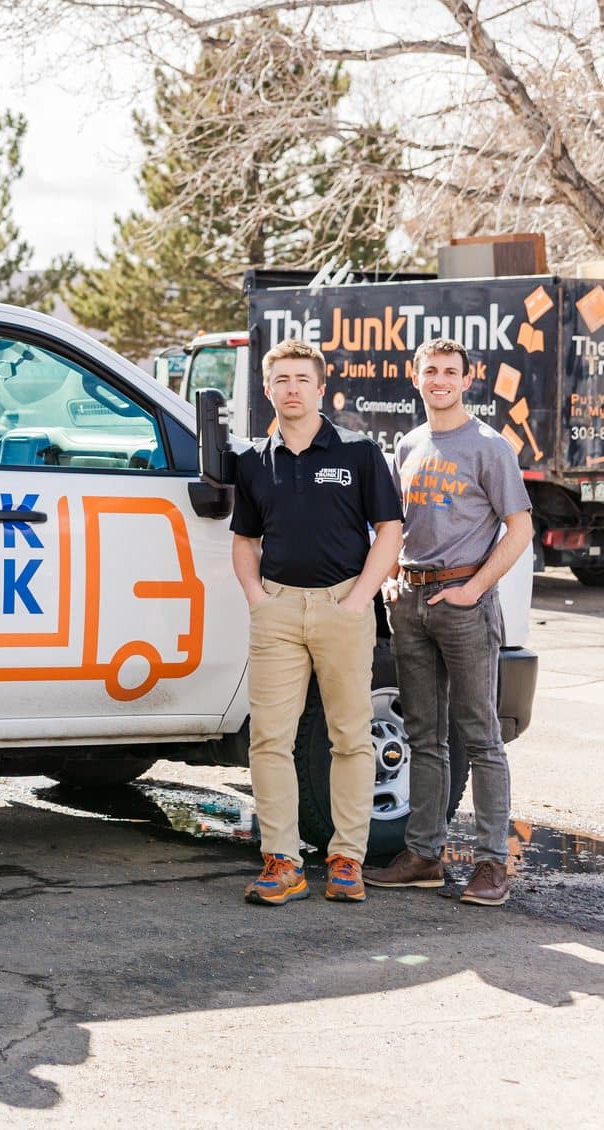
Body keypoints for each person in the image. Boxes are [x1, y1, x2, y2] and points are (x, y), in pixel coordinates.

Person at [229, 337, 402, 906]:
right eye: (281, 381)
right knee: (269, 739)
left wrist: (358, 602)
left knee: (350, 737)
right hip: (276, 611)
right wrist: (258, 598)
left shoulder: (358, 452)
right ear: (266, 389)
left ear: (321, 387)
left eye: (302, 380)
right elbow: (244, 540)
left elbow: (390, 533)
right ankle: (283, 861)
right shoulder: (255, 460)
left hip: (342, 607)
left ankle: (346, 860)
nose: (292, 389)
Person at [365, 339, 534, 906]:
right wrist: (390, 577)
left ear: (468, 379)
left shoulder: (489, 447)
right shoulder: (408, 444)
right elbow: (397, 526)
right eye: (430, 371)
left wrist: (474, 590)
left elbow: (520, 529)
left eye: (449, 372)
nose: (439, 380)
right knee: (423, 737)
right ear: (416, 378)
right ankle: (423, 855)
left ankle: (491, 866)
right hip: (409, 604)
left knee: (481, 736)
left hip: (464, 603)